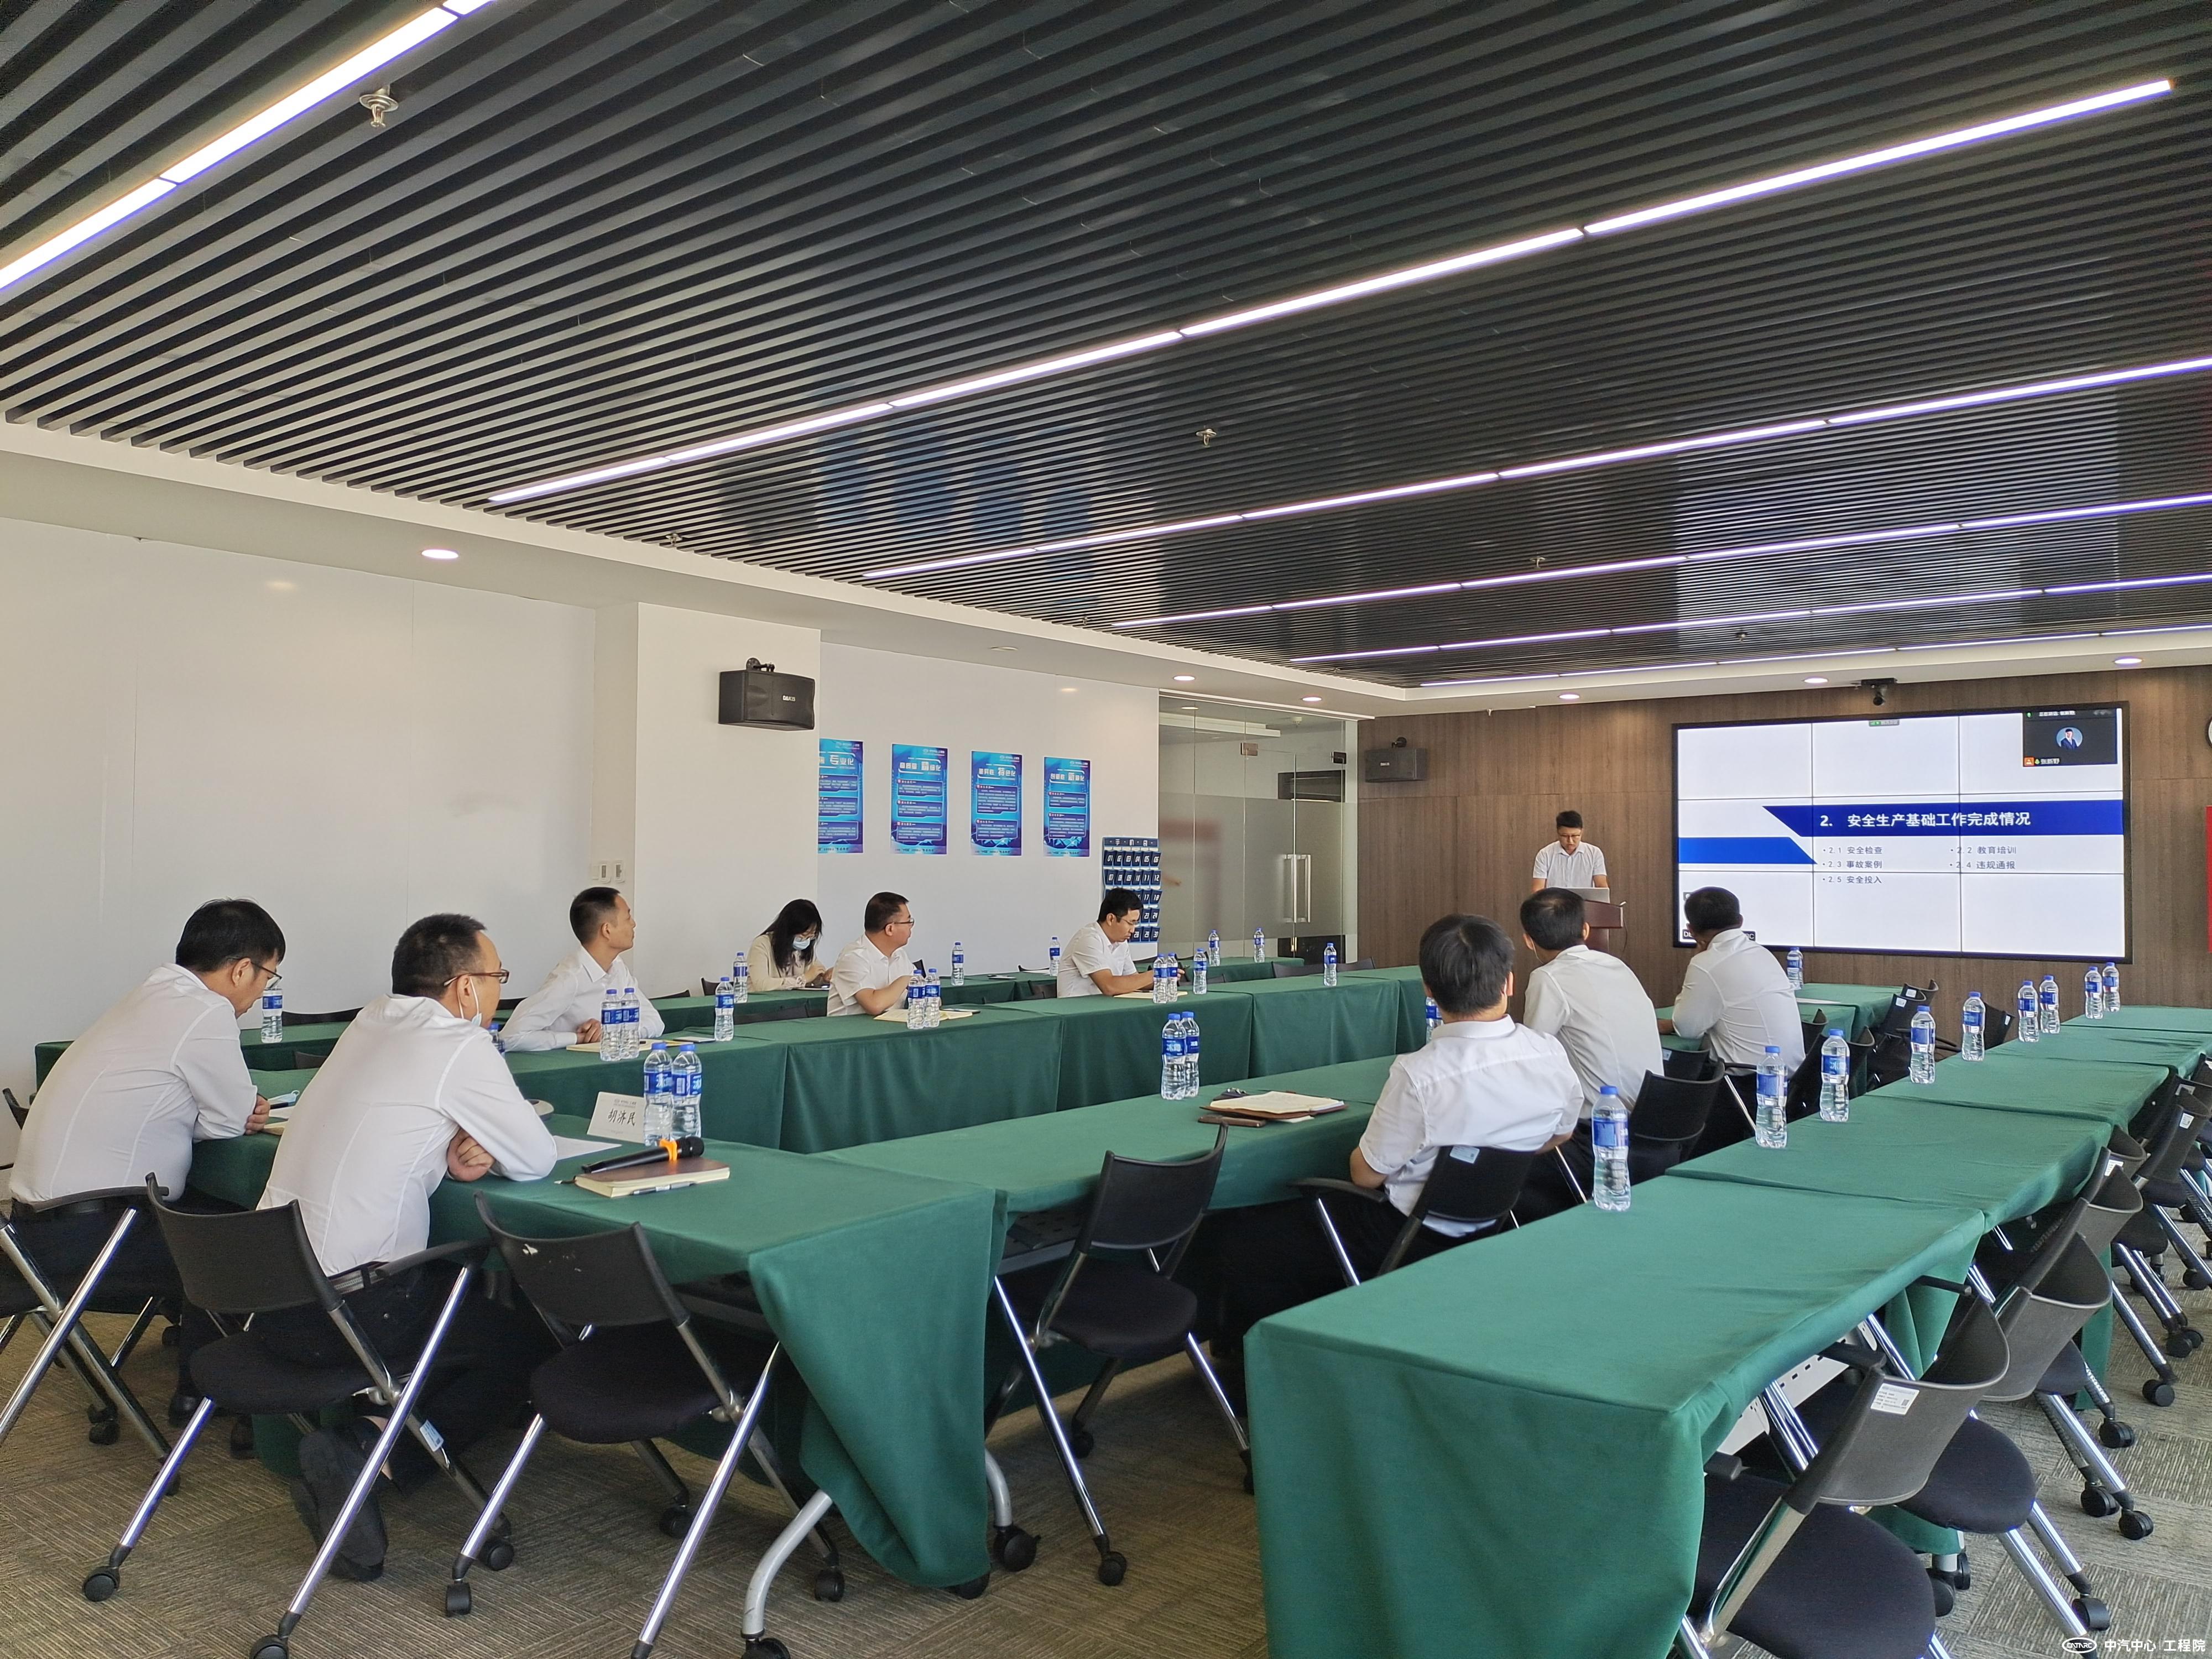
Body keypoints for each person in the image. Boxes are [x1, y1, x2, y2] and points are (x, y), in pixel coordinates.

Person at [257, 914, 557, 1578]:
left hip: (270, 1302)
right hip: (350, 1312)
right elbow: (535, 1158)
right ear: (464, 988)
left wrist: (453, 1152)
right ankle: (374, 1450)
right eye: (496, 977)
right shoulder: (459, 1044)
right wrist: (483, 1145)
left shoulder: (369, 1024)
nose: (499, 991)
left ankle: (373, 1437)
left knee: (452, 1303)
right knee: (524, 1338)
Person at [1197, 914, 1580, 1375]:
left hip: (1409, 1234)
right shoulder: (1548, 1052)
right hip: (1495, 1221)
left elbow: (1365, 1175)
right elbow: (1561, 1134)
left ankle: (1254, 1378)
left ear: (1428, 990)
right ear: (1510, 983)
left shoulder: (1421, 1074)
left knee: (1244, 1238)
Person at [8, 900, 281, 1411]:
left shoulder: (147, 997)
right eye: (269, 976)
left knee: (206, 1211)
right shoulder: (206, 1011)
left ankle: (196, 1350)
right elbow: (229, 1121)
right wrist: (232, 1113)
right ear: (242, 969)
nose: (263, 990)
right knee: (244, 1241)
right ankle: (201, 1392)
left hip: (29, 1233)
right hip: (96, 1239)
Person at [1514, 888, 1663, 1218]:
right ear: (1585, 930)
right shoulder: (1618, 966)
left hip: (1597, 1138)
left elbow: (1531, 1056)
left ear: (1528, 941)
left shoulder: (1548, 977)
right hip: (1654, 1130)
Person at [1658, 885, 1806, 1074]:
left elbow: (1687, 1028)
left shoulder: (1706, 964)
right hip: (1793, 1076)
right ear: (1740, 921)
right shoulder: (1762, 953)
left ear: (1691, 930)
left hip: (1747, 1081)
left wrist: (1699, 959)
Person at [498, 886, 664, 1052]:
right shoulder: (569, 979)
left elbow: (656, 1023)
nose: (633, 924)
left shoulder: (617, 967)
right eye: (628, 918)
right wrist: (578, 1038)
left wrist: (611, 1031)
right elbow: (510, 1038)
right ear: (607, 930)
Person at [826, 893, 916, 1016]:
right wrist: (906, 979)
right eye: (908, 922)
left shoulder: (900, 955)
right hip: (850, 1029)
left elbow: (928, 996)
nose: (911, 927)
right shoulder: (853, 957)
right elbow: (874, 1005)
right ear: (890, 929)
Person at [1057, 889, 1152, 997]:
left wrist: (1164, 977)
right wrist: (1154, 974)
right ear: (1111, 919)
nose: (1133, 930)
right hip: (1076, 1006)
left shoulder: (1121, 943)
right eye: (1131, 923)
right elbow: (1109, 986)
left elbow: (1134, 981)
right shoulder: (1088, 939)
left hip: (1105, 1005)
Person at [745, 899, 832, 989]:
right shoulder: (762, 945)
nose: (806, 940)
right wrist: (803, 979)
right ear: (788, 930)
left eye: (811, 936)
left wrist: (824, 978)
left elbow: (813, 975)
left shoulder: (805, 949)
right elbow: (762, 985)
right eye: (804, 935)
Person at [1530, 810, 1608, 893]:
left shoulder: (1594, 853)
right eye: (1565, 836)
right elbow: (1538, 890)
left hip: (1584, 901)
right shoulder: (1545, 854)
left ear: (1582, 832)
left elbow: (1602, 887)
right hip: (1555, 901)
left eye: (1575, 836)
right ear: (1558, 832)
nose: (1570, 841)